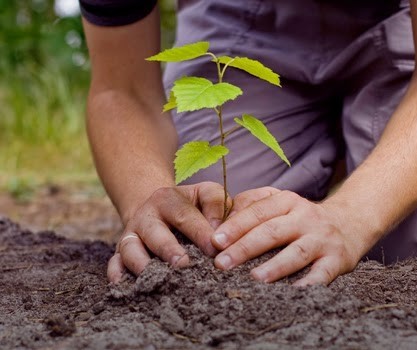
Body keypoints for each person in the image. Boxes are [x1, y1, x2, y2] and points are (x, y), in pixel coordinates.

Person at [79, 0, 417, 286]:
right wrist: (145, 198)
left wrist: (352, 216)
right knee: (217, 227)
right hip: (238, 17)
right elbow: (121, 89)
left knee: (401, 234)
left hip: (396, 19)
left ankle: (346, 150)